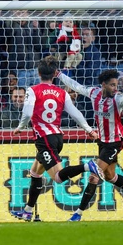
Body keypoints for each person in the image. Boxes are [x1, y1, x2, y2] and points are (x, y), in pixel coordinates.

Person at [10, 56, 103, 222]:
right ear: (54, 74)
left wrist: (20, 127)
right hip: (57, 137)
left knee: (58, 177)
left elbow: (28, 112)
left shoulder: (33, 90)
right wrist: (89, 130)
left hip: (44, 139)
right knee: (35, 173)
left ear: (39, 73)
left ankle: (88, 166)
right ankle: (27, 211)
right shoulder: (62, 93)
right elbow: (75, 113)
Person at [58, 69, 123, 221]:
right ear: (103, 85)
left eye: (116, 85)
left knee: (94, 176)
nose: (115, 88)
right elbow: (77, 86)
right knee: (110, 176)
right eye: (112, 85)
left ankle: (78, 213)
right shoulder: (94, 93)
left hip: (115, 142)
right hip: (102, 141)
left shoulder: (118, 99)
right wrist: (59, 75)